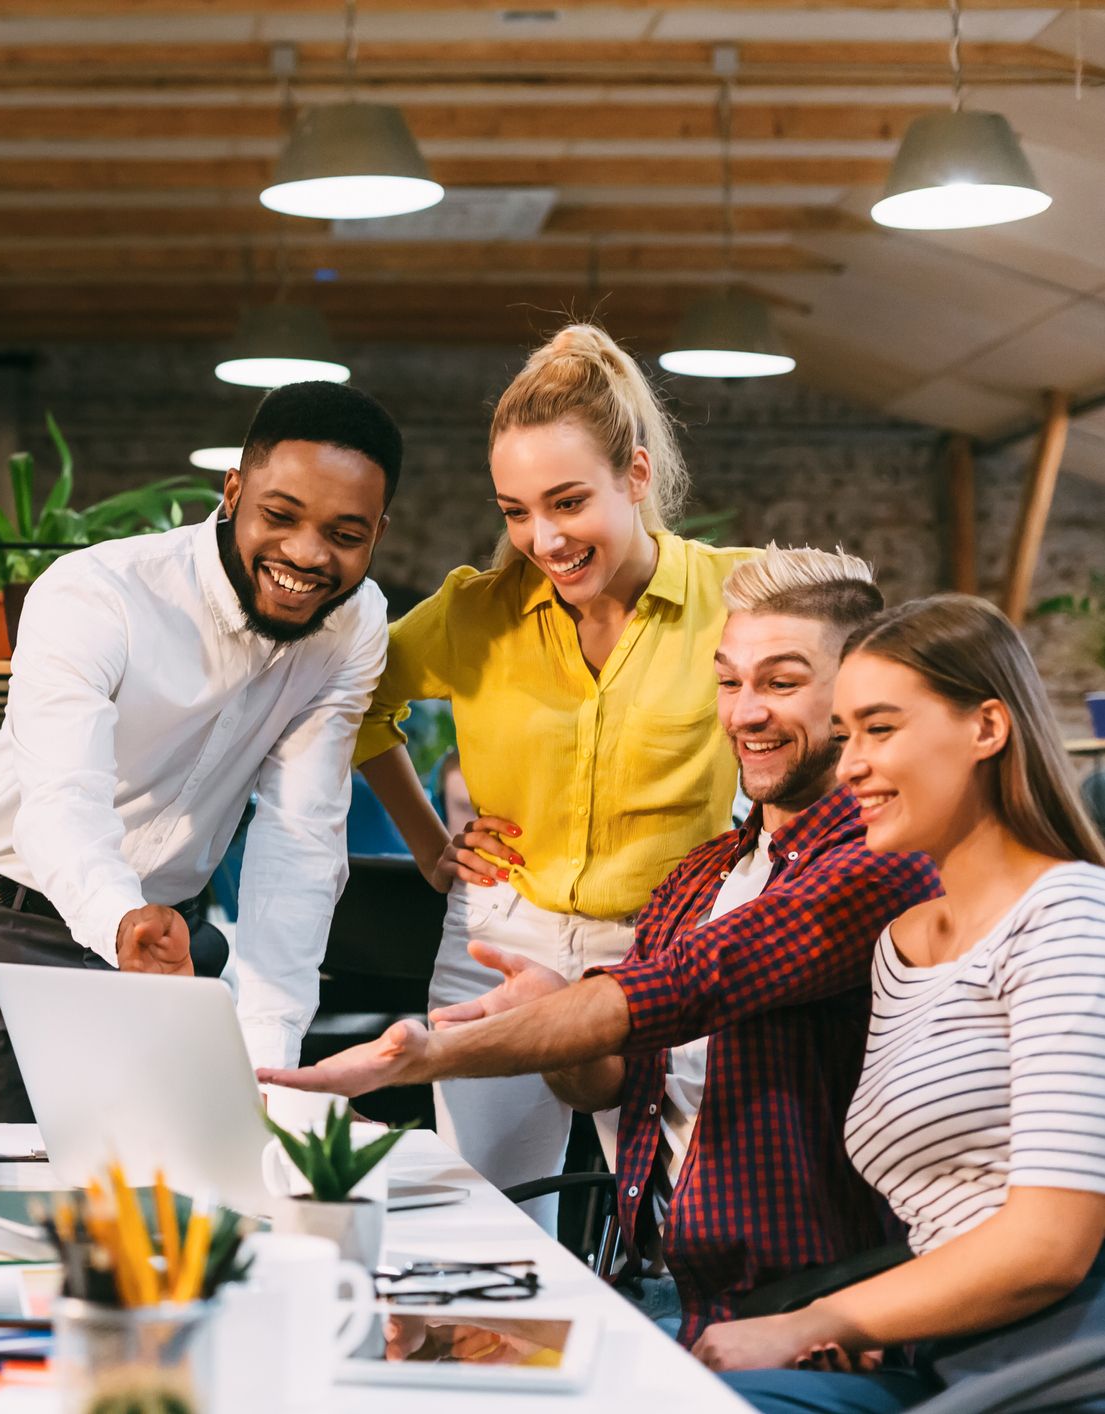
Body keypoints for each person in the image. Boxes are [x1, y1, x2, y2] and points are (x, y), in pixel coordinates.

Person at [259, 548, 941, 1341]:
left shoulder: (876, 860)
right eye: (728, 681)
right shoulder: (704, 875)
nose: (744, 713)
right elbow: (608, 1085)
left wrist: (430, 1056)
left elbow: (685, 986)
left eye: (780, 683)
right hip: (650, 1290)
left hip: (800, 1317)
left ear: (858, 697)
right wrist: (553, 1021)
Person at [0, 380, 398, 1121]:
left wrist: (268, 1061)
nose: (306, 554)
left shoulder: (352, 628)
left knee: (175, 1195)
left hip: (163, 954)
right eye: (280, 515)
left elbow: (298, 841)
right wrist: (119, 921)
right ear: (233, 491)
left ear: (376, 535)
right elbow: (61, 800)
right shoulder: (97, 594)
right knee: (9, 1204)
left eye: (344, 535)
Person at [349, 323, 762, 1211]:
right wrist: (429, 844)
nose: (542, 537)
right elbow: (353, 701)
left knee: (695, 1223)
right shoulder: (475, 613)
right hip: (503, 938)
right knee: (486, 1216)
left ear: (636, 478)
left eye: (567, 503)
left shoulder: (738, 601)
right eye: (515, 510)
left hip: (669, 950)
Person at [692, 596, 1105, 1413]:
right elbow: (953, 1216)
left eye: (879, 731)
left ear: (987, 728)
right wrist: (875, 1318)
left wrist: (819, 1319)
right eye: (845, 736)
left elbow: (1048, 1247)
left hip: (1054, 1368)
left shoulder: (1068, 916)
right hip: (947, 1359)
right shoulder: (903, 945)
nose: (847, 767)